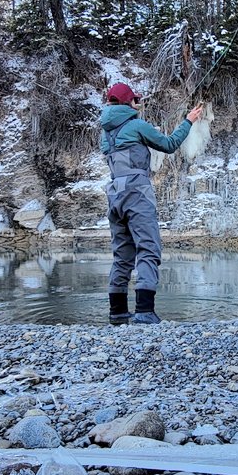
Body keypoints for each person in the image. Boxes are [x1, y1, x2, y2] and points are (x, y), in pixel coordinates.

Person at [99, 82, 203, 325]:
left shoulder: (106, 132)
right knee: (148, 247)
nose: (138, 103)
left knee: (122, 254)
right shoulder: (136, 125)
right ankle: (145, 311)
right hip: (137, 191)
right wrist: (188, 121)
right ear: (128, 103)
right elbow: (168, 145)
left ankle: (118, 312)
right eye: (135, 100)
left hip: (115, 193)